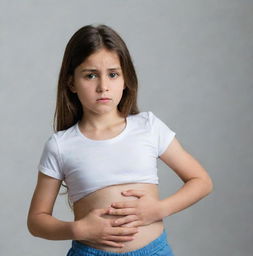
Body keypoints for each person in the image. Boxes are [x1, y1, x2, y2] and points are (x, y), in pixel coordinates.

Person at [27, 24, 213, 256]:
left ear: (126, 80)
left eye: (113, 74)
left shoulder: (148, 127)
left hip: (154, 251)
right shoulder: (61, 145)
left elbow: (201, 181)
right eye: (90, 75)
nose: (103, 86)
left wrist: (158, 209)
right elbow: (36, 221)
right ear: (72, 83)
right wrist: (79, 228)